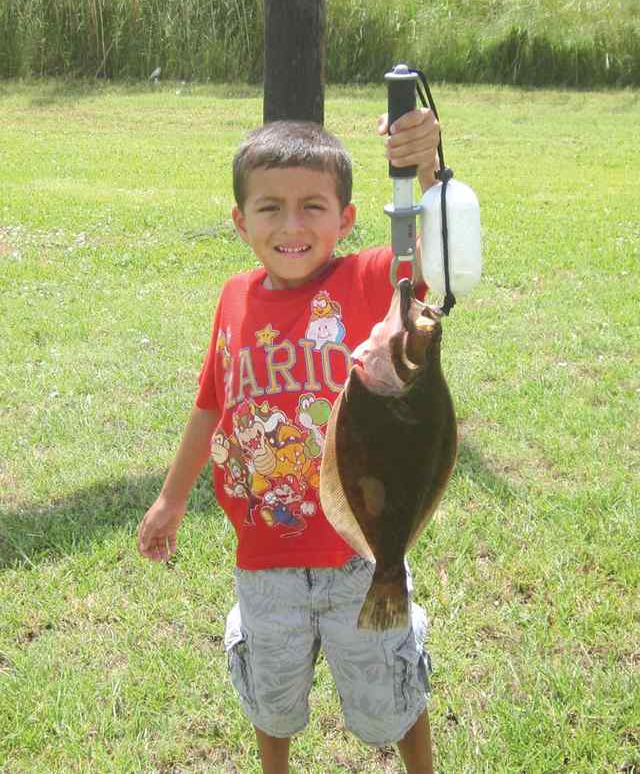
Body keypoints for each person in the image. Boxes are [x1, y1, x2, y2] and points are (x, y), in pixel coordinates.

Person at [138, 106, 441, 774]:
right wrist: (172, 499)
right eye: (270, 208)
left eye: (313, 206)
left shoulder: (366, 280)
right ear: (241, 220)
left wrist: (429, 170)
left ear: (347, 218)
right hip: (263, 557)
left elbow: (441, 257)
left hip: (360, 552)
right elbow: (212, 403)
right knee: (270, 693)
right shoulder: (233, 297)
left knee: (389, 683)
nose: (292, 226)